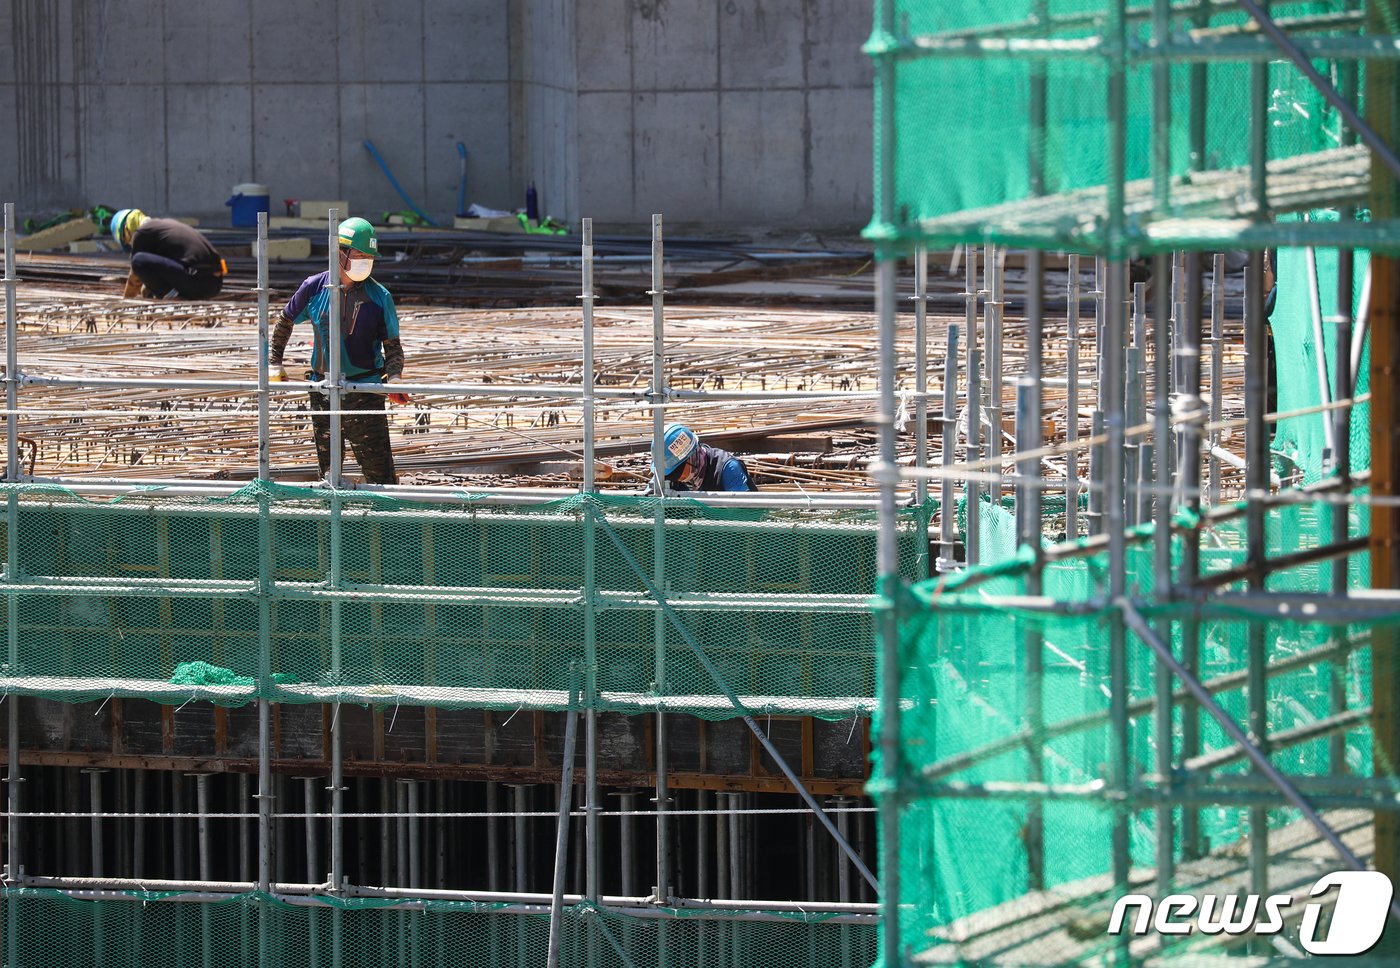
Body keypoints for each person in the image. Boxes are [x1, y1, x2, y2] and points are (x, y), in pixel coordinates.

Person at [268, 216, 407, 484]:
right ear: (339, 253)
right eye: (359, 254)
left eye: (370, 256)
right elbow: (285, 321)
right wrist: (275, 362)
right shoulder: (313, 288)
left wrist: (395, 379)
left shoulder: (380, 297)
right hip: (322, 391)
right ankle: (335, 524)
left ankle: (386, 523)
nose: (366, 261)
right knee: (330, 477)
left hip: (366, 392)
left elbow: (393, 346)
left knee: (381, 476)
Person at [111, 208, 226, 300]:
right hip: (215, 284)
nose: (130, 245)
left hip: (196, 280)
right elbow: (160, 270)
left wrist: (125, 301)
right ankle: (184, 296)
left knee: (138, 261)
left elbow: (135, 276)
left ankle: (174, 299)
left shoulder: (142, 232)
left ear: (127, 230)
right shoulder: (163, 227)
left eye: (126, 241)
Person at [655, 423, 755, 492]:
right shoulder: (668, 469)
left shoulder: (728, 468)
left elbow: (743, 513)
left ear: (690, 458)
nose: (677, 478)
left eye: (677, 472)